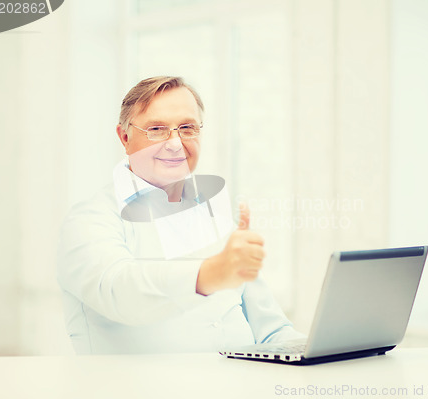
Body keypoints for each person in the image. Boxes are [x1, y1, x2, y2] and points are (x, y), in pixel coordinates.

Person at [57, 76, 304, 354]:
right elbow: (118, 292)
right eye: (157, 129)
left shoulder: (217, 219)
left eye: (187, 128)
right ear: (125, 137)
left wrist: (321, 349)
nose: (175, 143)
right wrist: (209, 274)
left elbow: (271, 330)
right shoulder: (90, 219)